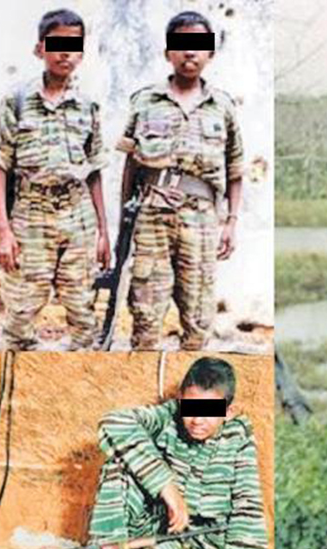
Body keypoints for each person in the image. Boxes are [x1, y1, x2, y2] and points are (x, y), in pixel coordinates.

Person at [60, 357, 272, 549]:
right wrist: (166, 485)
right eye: (191, 408)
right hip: (148, 532)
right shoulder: (167, 417)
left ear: (228, 412)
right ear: (181, 401)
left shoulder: (238, 440)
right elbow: (113, 422)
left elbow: (247, 516)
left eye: (210, 412)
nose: (197, 420)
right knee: (119, 463)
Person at [118, 10, 243, 351]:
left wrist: (230, 223)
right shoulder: (145, 101)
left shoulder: (223, 107)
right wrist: (123, 224)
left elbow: (235, 169)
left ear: (210, 54)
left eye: (198, 45)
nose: (190, 52)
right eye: (182, 44)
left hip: (201, 220)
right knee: (145, 312)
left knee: (199, 316)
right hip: (151, 215)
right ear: (167, 52)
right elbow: (131, 166)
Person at [0, 8, 110, 350]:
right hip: (31, 214)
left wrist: (104, 231)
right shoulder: (16, 101)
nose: (65, 53)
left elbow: (95, 171)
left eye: (74, 46)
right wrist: (2, 229)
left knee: (83, 315)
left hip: (78, 215)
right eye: (57, 43)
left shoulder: (88, 105)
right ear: (39, 48)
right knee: (20, 314)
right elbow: (0, 164)